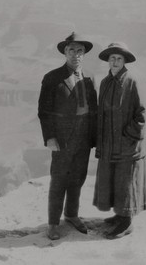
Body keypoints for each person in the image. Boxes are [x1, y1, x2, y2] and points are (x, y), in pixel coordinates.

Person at [38, 32, 98, 240]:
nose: (75, 54)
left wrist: (95, 140)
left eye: (79, 50)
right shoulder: (53, 78)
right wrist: (50, 138)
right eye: (71, 50)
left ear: (84, 54)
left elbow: (94, 110)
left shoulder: (90, 78)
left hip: (84, 138)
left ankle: (71, 214)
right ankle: (53, 223)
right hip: (62, 139)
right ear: (65, 52)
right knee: (59, 180)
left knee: (78, 178)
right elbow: (44, 112)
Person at [93, 42, 146, 239]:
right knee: (114, 179)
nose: (115, 61)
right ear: (108, 61)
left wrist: (128, 135)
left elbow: (141, 115)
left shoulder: (132, 82)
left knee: (126, 181)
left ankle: (126, 222)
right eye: (112, 58)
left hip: (127, 144)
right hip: (109, 143)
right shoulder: (105, 82)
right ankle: (119, 215)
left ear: (124, 61)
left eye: (119, 58)